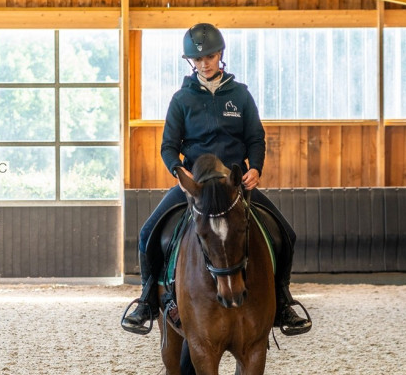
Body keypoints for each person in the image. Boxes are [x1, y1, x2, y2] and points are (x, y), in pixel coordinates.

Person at [122, 22, 312, 336]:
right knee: (147, 234)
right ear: (190, 62)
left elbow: (256, 138)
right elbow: (169, 145)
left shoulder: (240, 94)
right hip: (196, 184)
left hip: (234, 184)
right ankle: (145, 300)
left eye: (209, 56)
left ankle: (282, 300)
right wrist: (178, 171)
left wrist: (256, 168)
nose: (204, 63)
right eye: (197, 59)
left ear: (219, 54)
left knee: (286, 235)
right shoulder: (182, 100)